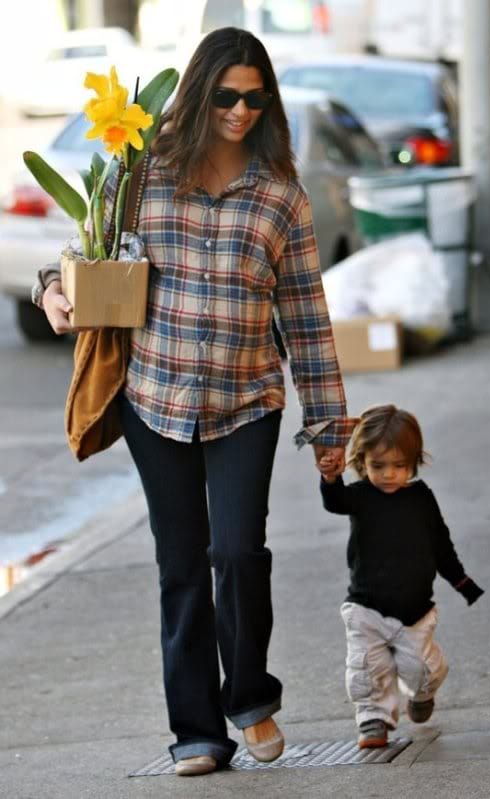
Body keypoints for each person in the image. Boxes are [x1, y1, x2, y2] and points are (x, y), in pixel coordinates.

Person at [35, 27, 351, 776]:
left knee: (238, 553)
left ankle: (249, 696)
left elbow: (305, 314)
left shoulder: (280, 193)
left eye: (254, 96)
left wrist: (329, 423)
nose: (240, 110)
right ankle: (196, 732)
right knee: (180, 564)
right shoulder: (140, 172)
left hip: (248, 398)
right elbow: (82, 255)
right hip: (154, 397)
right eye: (225, 95)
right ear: (198, 92)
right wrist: (52, 289)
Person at [319, 404, 484, 749]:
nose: (390, 474)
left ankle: (422, 696)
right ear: (362, 462)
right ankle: (373, 721)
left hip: (415, 611)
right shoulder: (361, 496)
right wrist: (331, 478)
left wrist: (461, 581)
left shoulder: (421, 498)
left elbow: (440, 542)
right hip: (366, 607)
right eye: (378, 466)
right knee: (367, 669)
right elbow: (334, 502)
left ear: (413, 461)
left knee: (422, 669)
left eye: (400, 465)